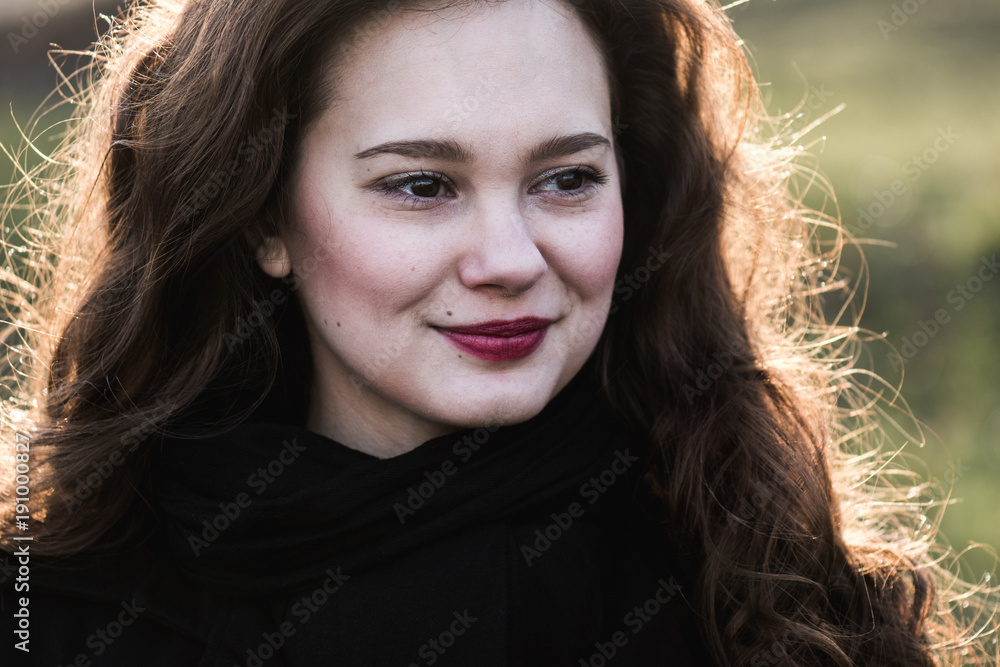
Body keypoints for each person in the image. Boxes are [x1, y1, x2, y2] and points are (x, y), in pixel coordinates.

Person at [0, 0, 996, 664]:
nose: (510, 258)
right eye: (421, 185)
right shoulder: (52, 605)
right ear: (264, 216)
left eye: (566, 178)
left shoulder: (775, 593)